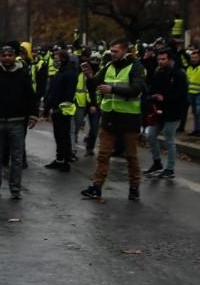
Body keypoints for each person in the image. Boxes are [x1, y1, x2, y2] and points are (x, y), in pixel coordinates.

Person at [81, 38, 147, 202]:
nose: (112, 54)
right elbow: (96, 83)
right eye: (111, 51)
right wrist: (89, 76)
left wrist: (113, 89)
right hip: (110, 117)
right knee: (103, 155)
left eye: (116, 51)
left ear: (125, 51)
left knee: (131, 156)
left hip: (129, 118)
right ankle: (96, 187)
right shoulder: (108, 66)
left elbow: (137, 89)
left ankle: (134, 188)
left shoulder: (136, 67)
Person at [0, 43, 38, 200]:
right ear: (0, 56)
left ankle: (15, 189)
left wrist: (33, 115)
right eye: (4, 55)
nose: (7, 58)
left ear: (14, 56)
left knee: (17, 158)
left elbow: (31, 96)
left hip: (17, 122)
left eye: (9, 55)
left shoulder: (23, 75)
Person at [143, 48, 187, 180]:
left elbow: (182, 95)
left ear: (171, 60)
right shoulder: (158, 73)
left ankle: (170, 168)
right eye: (159, 59)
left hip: (173, 113)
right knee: (150, 135)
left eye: (163, 59)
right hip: (159, 112)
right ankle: (157, 163)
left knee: (169, 138)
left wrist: (165, 98)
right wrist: (152, 97)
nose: (161, 62)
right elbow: (152, 90)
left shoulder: (179, 74)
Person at [42, 47, 79, 171]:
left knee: (63, 136)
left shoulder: (69, 74)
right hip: (57, 109)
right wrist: (47, 108)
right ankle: (59, 159)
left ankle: (65, 161)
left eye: (56, 59)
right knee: (59, 136)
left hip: (63, 110)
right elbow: (52, 92)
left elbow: (67, 94)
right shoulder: (60, 72)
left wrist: (59, 108)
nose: (54, 61)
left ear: (63, 59)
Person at [185, 47, 200, 135]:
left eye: (195, 58)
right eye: (192, 58)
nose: (193, 59)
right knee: (195, 113)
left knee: (198, 112)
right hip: (191, 94)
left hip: (199, 94)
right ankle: (196, 129)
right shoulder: (189, 68)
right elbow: (187, 81)